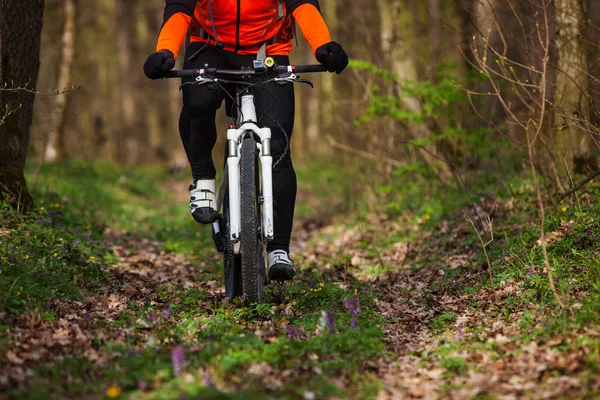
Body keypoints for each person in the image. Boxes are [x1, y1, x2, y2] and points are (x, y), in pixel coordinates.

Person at [143, 0, 348, 281]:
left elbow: (303, 5)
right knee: (198, 103)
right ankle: (203, 179)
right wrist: (165, 51)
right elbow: (179, 9)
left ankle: (278, 249)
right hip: (209, 47)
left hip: (268, 50)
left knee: (278, 145)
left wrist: (324, 46)